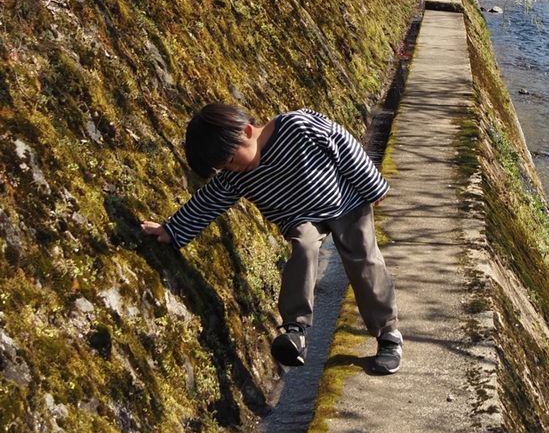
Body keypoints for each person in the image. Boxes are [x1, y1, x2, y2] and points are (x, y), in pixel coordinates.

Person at [141, 103, 404, 375]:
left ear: (245, 131)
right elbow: (208, 202)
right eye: (223, 167)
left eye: (231, 159)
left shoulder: (297, 125)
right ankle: (295, 330)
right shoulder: (235, 177)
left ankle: (388, 335)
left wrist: (372, 184)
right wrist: (171, 230)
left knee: (364, 262)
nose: (232, 168)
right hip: (301, 219)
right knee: (303, 248)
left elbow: (343, 143)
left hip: (346, 201)